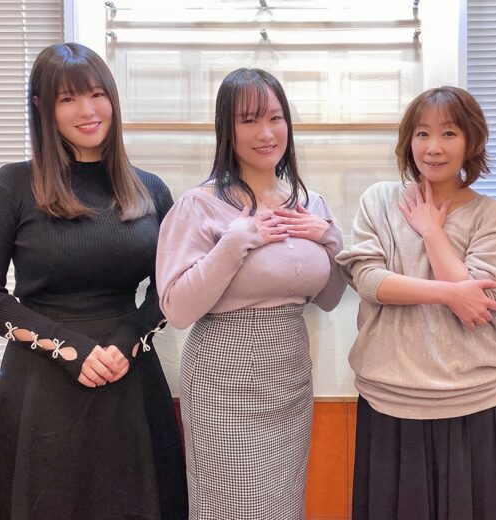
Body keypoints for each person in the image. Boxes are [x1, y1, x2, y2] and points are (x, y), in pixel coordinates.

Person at [0, 43, 188, 519]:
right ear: (42, 107)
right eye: (68, 99)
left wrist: (126, 343)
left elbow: (172, 287)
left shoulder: (149, 189)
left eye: (97, 94)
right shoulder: (12, 185)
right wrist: (69, 349)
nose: (87, 110)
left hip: (130, 382)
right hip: (40, 389)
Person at [155, 67, 346, 520]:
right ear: (227, 129)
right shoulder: (199, 205)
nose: (266, 133)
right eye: (249, 120)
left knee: (282, 505)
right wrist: (235, 241)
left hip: (290, 373)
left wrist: (331, 238)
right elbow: (176, 309)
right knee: (232, 505)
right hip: (223, 378)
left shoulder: (310, 203)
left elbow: (329, 298)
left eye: (275, 118)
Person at [336, 86, 496, 520]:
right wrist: (448, 292)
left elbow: (478, 306)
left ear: (471, 141)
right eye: (422, 134)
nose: (433, 147)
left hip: (475, 400)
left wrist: (433, 232)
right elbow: (368, 280)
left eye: (449, 133)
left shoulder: (491, 215)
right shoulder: (380, 201)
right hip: (390, 398)